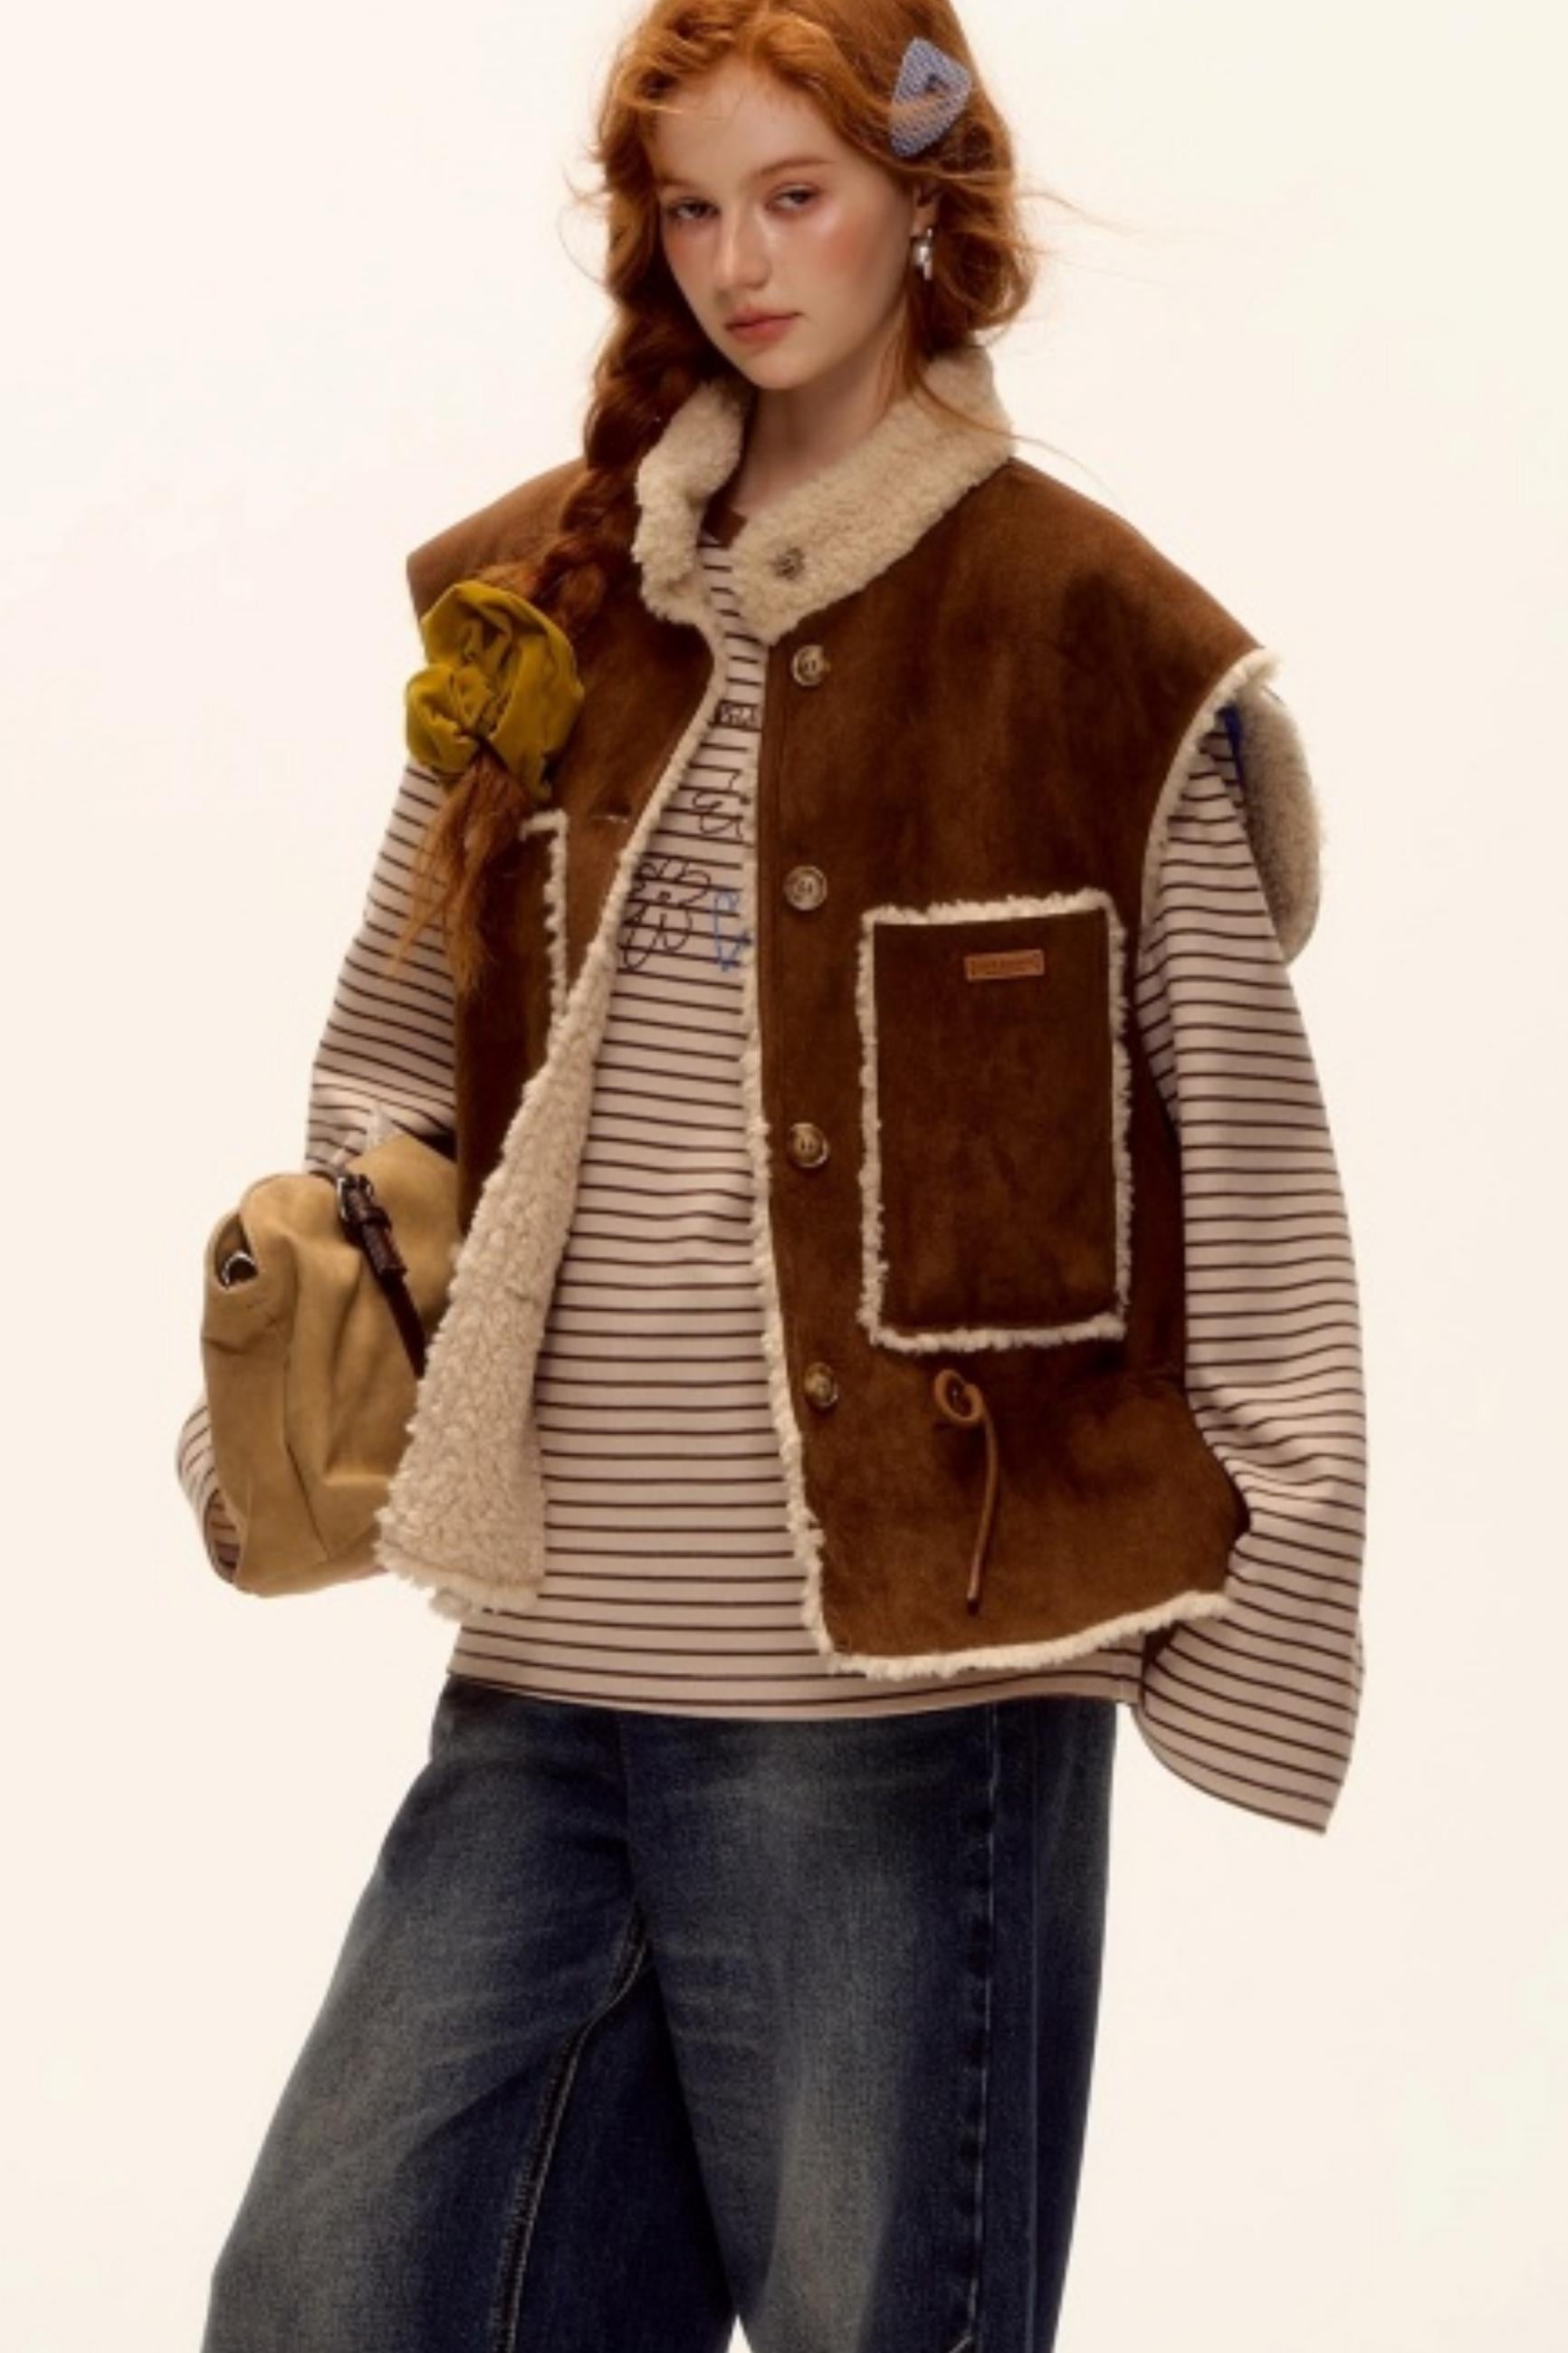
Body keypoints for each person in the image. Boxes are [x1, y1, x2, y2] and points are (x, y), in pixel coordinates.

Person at [180, 4, 1368, 2347]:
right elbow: (394, 1053)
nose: (740, 261)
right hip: (543, 1674)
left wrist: (1272, 1597)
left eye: (793, 195)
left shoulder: (1094, 641)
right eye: (693, 209)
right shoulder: (539, 601)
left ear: (925, 191)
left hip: (908, 1706)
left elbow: (1245, 1154)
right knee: (331, 2297)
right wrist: (301, 1349)